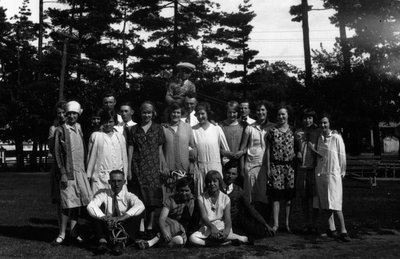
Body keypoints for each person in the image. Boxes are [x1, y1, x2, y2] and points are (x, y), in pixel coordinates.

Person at [53, 100, 92, 245]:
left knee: (77, 203)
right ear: (66, 114)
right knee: (66, 203)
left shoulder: (80, 128)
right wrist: (62, 172)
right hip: (68, 172)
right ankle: (62, 233)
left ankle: (74, 231)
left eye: (74, 113)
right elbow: (57, 153)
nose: (72, 116)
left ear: (78, 114)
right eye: (69, 113)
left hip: (80, 171)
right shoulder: (60, 130)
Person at [127, 101, 168, 231]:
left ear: (153, 113)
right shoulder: (133, 129)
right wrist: (128, 168)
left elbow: (160, 149)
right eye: (144, 112)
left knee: (152, 199)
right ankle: (141, 225)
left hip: (153, 167)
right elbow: (130, 149)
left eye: (149, 112)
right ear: (140, 113)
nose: (146, 115)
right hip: (138, 166)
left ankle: (150, 224)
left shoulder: (158, 128)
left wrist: (163, 165)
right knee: (139, 197)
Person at [87, 170, 145, 255]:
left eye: (119, 181)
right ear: (109, 182)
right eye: (113, 181)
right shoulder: (103, 193)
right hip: (108, 226)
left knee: (137, 213)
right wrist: (103, 217)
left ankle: (120, 243)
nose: (116, 184)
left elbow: (140, 205)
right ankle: (102, 243)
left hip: (124, 228)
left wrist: (123, 217)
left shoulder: (128, 195)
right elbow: (91, 205)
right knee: (95, 214)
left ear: (124, 182)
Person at [313, 114, 350, 242]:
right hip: (322, 174)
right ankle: (331, 228)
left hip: (334, 174)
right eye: (321, 123)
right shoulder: (319, 138)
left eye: (325, 123)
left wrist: (342, 171)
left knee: (336, 202)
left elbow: (342, 155)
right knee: (326, 203)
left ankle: (343, 230)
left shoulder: (336, 137)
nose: (323, 125)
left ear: (329, 124)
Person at [189, 170, 251, 246]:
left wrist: (226, 231)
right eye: (209, 182)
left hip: (222, 226)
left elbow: (228, 219)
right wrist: (212, 227)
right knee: (192, 238)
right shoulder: (201, 198)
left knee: (224, 235)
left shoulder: (225, 198)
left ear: (219, 183)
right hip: (207, 226)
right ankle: (218, 244)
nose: (212, 184)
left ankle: (242, 239)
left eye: (214, 181)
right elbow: (204, 217)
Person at [136, 177, 200, 249]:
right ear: (178, 190)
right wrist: (164, 231)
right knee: (175, 225)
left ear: (191, 191)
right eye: (181, 190)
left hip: (182, 229)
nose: (184, 193)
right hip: (168, 225)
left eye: (186, 191)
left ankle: (158, 243)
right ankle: (152, 242)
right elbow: (162, 218)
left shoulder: (194, 200)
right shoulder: (171, 200)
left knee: (180, 241)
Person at [263, 106, 295, 234]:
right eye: (279, 114)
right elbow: (268, 150)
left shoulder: (293, 130)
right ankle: (276, 224)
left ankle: (287, 223)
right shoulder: (272, 131)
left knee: (288, 197)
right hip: (276, 166)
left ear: (287, 116)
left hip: (290, 167)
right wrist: (268, 167)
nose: (281, 117)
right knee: (276, 196)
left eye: (283, 114)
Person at [222, 160, 273, 239]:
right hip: (220, 221)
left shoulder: (238, 190)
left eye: (233, 174)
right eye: (228, 173)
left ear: (237, 175)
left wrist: (265, 224)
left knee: (259, 232)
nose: (230, 176)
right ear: (224, 172)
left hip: (235, 220)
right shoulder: (217, 188)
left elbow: (250, 208)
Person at [240, 101, 274, 208]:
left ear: (267, 111)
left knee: (264, 196)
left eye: (263, 110)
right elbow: (243, 148)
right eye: (258, 110)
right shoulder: (250, 128)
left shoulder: (272, 128)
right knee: (250, 196)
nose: (260, 112)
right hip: (250, 165)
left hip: (266, 166)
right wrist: (241, 167)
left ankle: (263, 221)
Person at [87, 109, 129, 195]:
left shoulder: (119, 137)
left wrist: (125, 173)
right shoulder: (95, 136)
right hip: (100, 177)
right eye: (105, 122)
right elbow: (90, 157)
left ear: (114, 122)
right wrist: (89, 174)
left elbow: (124, 157)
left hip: (117, 177)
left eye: (110, 121)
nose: (108, 124)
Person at [192, 102, 230, 195]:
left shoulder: (217, 129)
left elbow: (226, 150)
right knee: (201, 196)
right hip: (200, 169)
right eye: (198, 114)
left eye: (202, 114)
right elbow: (191, 150)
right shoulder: (193, 130)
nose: (200, 116)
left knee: (216, 196)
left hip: (215, 167)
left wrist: (226, 167)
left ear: (207, 113)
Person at [162, 103, 196, 200]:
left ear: (181, 114)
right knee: (169, 199)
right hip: (169, 172)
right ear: (169, 113)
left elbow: (192, 147)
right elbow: (160, 150)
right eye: (173, 112)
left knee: (184, 199)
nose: (175, 115)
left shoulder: (187, 127)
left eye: (178, 112)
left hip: (184, 171)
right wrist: (163, 166)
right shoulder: (163, 128)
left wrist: (192, 165)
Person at [294, 109, 320, 233]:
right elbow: (293, 147)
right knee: (304, 198)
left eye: (310, 118)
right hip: (302, 168)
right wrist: (297, 151)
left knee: (314, 197)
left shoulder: (318, 131)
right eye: (305, 118)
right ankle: (306, 222)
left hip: (315, 168)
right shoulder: (298, 133)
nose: (307, 120)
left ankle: (314, 223)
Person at [48, 101, 66, 230]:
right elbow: (52, 149)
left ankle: (74, 230)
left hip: (73, 168)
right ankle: (61, 230)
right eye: (58, 113)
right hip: (58, 167)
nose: (61, 115)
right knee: (60, 201)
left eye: (63, 112)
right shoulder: (53, 128)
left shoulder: (76, 127)